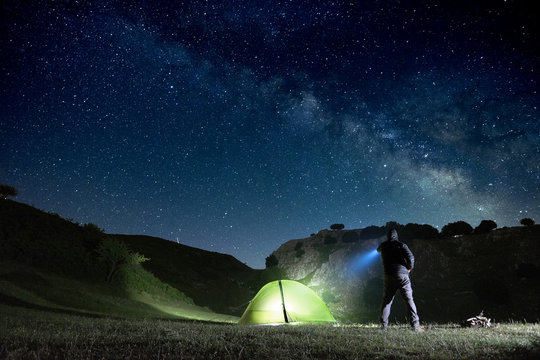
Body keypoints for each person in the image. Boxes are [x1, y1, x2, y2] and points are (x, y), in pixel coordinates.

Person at [377, 229, 424, 331]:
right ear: (396, 236)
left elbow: (378, 250)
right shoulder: (401, 245)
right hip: (402, 275)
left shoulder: (383, 246)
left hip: (389, 276)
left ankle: (383, 326)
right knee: (409, 300)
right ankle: (415, 325)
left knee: (387, 301)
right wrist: (409, 268)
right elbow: (411, 257)